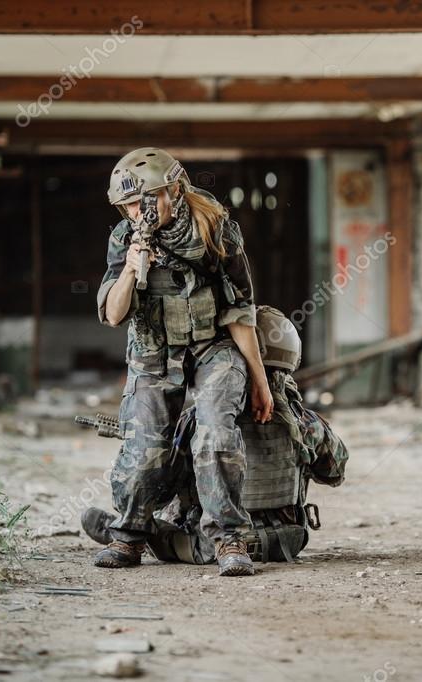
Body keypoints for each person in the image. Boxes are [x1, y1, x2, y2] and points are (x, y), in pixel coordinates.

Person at [95, 147, 273, 577]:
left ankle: (230, 538)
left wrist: (258, 379)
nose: (137, 212)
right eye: (128, 206)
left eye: (144, 201)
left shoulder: (216, 231)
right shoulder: (125, 238)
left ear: (174, 190)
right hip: (154, 352)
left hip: (214, 347)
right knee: (145, 446)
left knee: (214, 433)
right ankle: (128, 536)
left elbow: (241, 310)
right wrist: (132, 268)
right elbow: (114, 314)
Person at [82, 306, 350, 566]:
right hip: (284, 543)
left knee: (164, 532)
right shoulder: (307, 423)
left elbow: (163, 489)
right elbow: (335, 472)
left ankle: (131, 534)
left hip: (211, 545)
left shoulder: (200, 422)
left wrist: (149, 449)